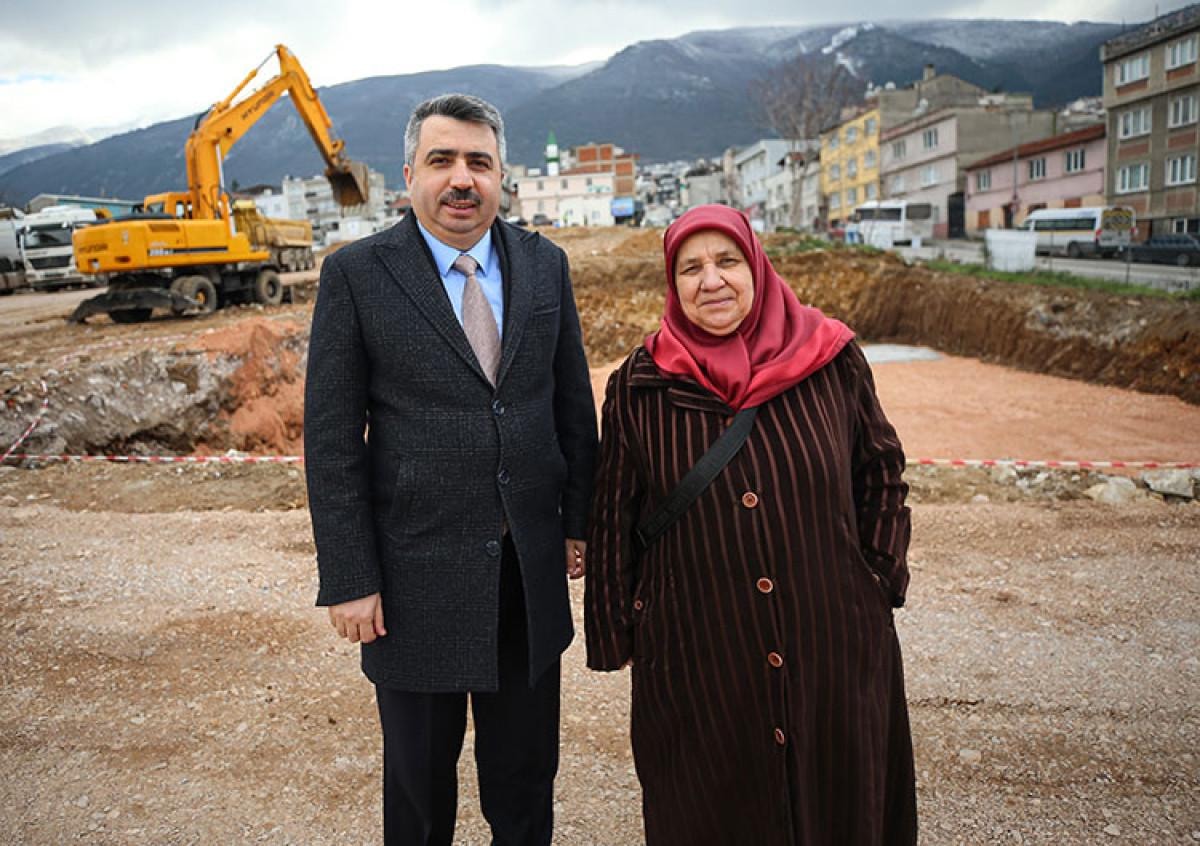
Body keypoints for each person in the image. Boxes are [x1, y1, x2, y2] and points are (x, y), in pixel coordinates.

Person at [304, 93, 598, 846]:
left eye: (479, 162)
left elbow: (572, 404)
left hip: (525, 575)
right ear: (410, 175)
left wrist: (578, 521)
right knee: (419, 797)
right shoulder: (357, 275)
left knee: (525, 785)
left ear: (501, 175)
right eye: (442, 160)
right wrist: (350, 576)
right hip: (411, 583)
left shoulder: (545, 265)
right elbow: (332, 442)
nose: (462, 178)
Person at [585, 204, 917, 845]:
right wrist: (617, 632)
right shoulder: (639, 384)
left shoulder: (832, 359)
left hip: (833, 643)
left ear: (757, 268)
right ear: (672, 283)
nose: (711, 280)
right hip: (696, 653)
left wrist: (877, 583)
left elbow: (880, 471)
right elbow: (611, 513)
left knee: (838, 801)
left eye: (727, 261)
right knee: (708, 805)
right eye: (691, 268)